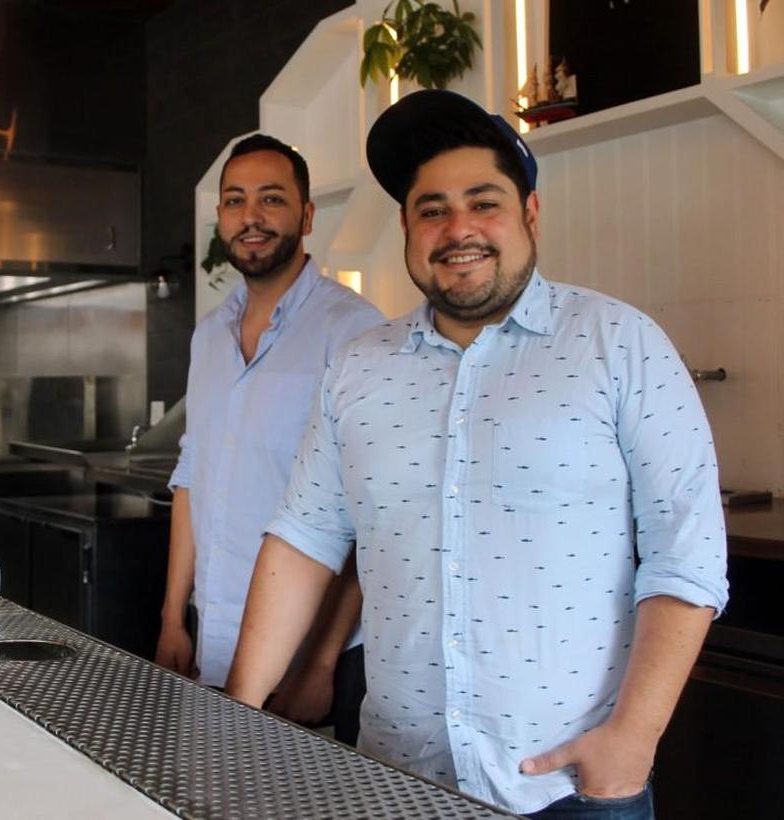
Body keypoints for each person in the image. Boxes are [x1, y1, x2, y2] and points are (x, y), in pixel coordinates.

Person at [224, 91, 728, 818]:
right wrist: (236, 708)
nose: (458, 228)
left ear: (530, 214)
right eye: (432, 209)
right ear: (406, 227)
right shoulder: (360, 367)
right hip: (394, 780)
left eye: (483, 202)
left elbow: (689, 553)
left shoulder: (617, 343)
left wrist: (633, 739)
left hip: (573, 789)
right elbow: (305, 538)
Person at [156, 134, 384, 743]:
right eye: (234, 201)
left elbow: (371, 515)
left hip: (310, 649)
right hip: (214, 634)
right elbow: (190, 480)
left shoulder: (356, 332)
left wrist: (320, 662)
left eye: (271, 199)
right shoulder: (209, 336)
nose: (250, 217)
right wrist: (173, 617)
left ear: (307, 216)